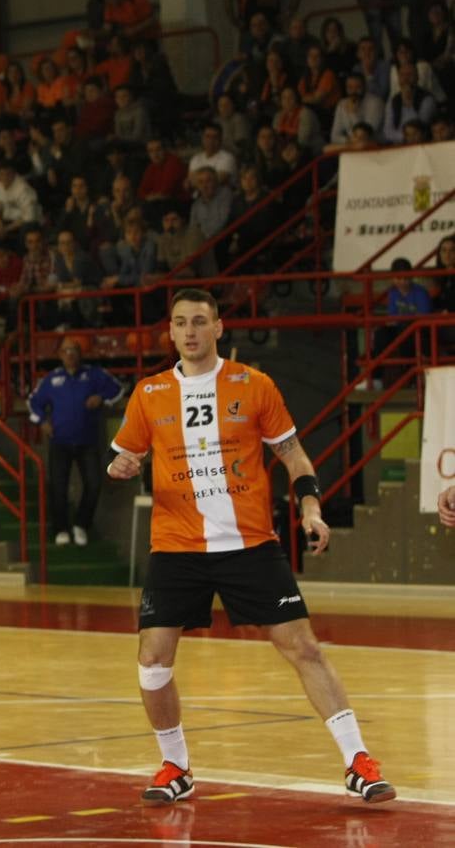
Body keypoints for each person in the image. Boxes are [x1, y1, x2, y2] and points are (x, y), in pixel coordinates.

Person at [108, 288, 396, 807]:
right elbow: (123, 457)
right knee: (152, 659)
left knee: (303, 647)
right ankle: (175, 765)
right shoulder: (149, 394)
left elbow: (294, 454)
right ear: (169, 331)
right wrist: (119, 466)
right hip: (177, 547)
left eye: (200, 321)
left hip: (249, 545)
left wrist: (310, 507)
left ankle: (358, 761)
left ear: (219, 328)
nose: (190, 331)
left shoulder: (253, 385)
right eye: (180, 323)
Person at [28, 338, 124, 546]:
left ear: (80, 353)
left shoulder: (94, 374)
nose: (70, 354)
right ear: (60, 355)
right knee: (58, 487)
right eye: (66, 350)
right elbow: (33, 402)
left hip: (88, 442)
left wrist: (101, 398)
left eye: (74, 350)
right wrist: (41, 420)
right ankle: (61, 529)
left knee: (94, 484)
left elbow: (118, 389)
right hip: (60, 442)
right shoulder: (51, 379)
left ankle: (81, 524)